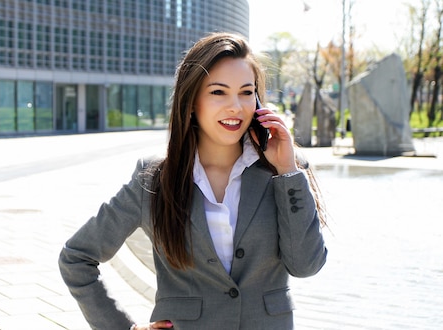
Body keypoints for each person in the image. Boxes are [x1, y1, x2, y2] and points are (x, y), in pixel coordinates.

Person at [59, 32, 328, 330]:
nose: (235, 107)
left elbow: (306, 265)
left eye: (246, 92)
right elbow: (77, 258)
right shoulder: (155, 180)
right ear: (191, 102)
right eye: (218, 92)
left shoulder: (285, 172)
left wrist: (287, 171)